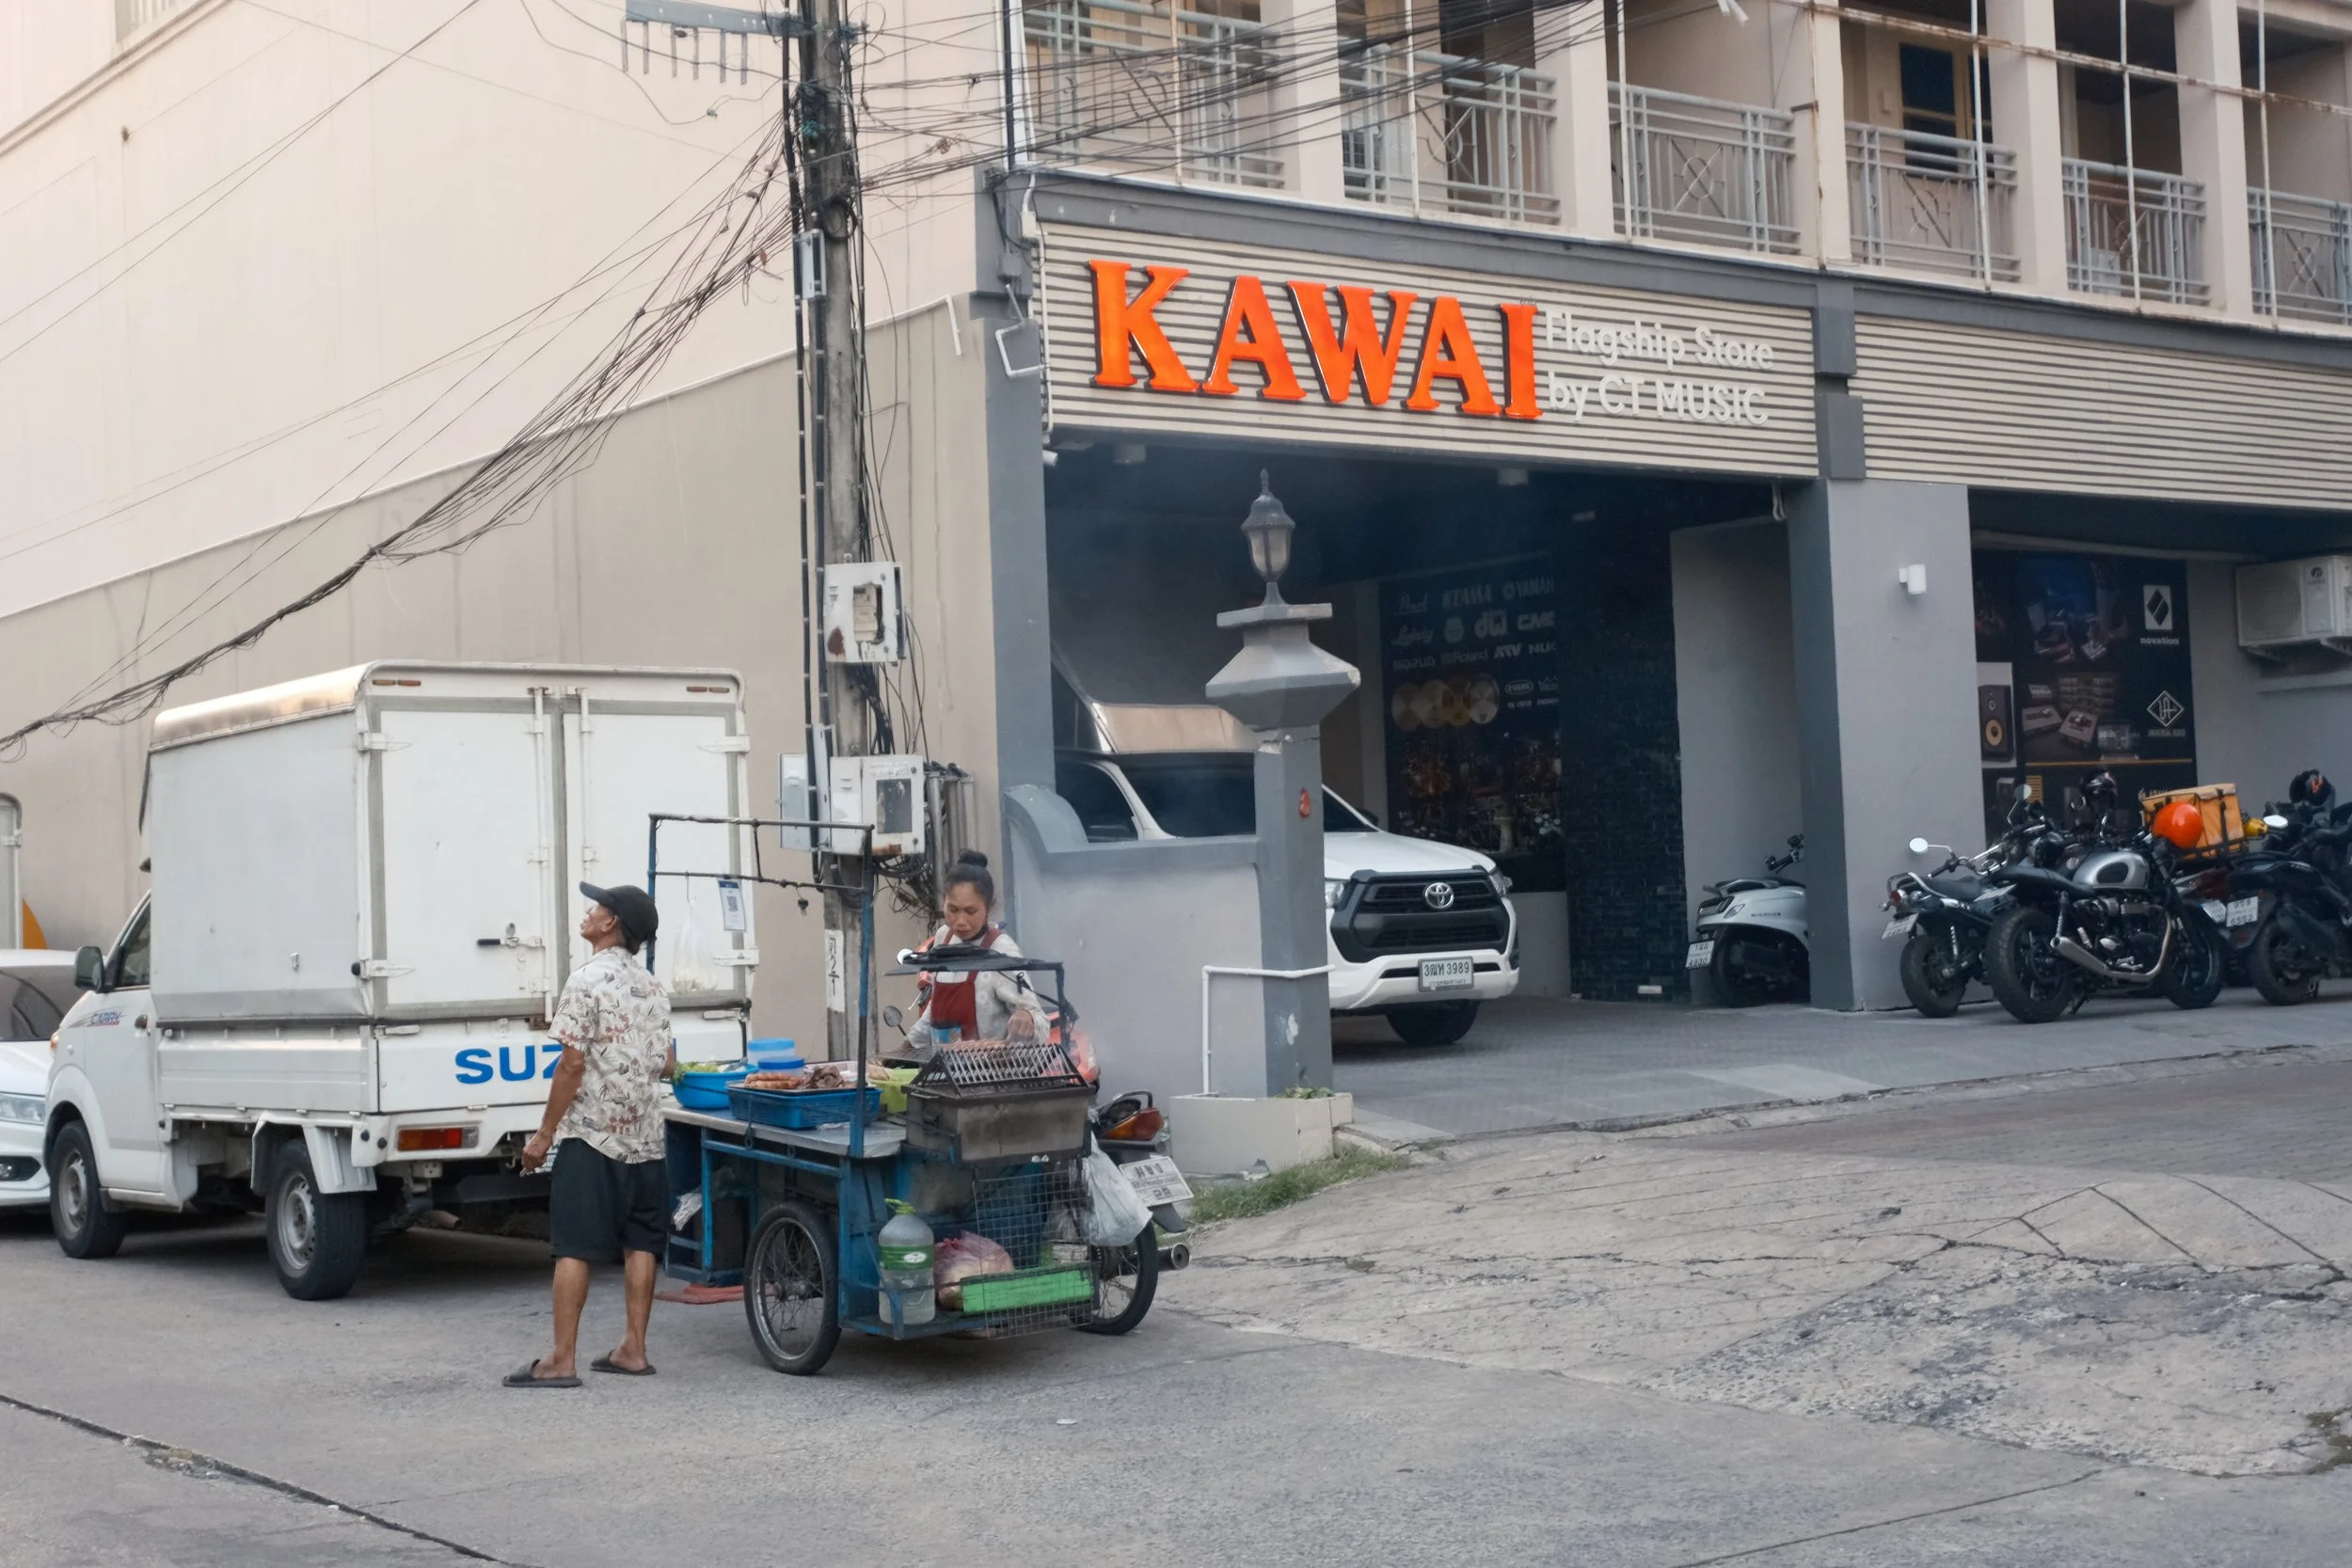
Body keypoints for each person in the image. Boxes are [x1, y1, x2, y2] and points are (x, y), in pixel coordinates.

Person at [505, 882, 671, 1389]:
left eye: (596, 907)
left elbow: (571, 1062)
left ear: (611, 923)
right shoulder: (652, 986)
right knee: (641, 1240)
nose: (588, 911)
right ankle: (633, 1350)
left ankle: (560, 1360)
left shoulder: (585, 980)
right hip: (646, 1136)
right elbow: (666, 1062)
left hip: (593, 1137)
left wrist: (544, 1134)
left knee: (574, 1245)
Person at [905, 852, 1050, 1052]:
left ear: (989, 907)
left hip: (990, 1075)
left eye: (970, 911)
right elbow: (935, 1009)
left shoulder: (1001, 950)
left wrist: (1027, 1018)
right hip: (944, 1072)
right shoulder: (944, 938)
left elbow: (1038, 1018)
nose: (961, 921)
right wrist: (904, 1049)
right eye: (953, 910)